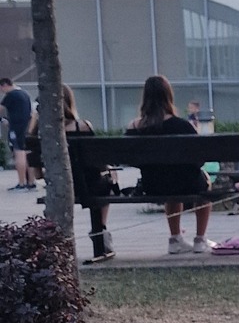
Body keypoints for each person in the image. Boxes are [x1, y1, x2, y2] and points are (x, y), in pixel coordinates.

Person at [128, 75, 213, 255]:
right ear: (168, 96)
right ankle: (200, 240)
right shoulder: (183, 126)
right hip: (186, 184)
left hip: (153, 185)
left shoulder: (135, 127)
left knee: (171, 186)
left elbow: (130, 159)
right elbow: (199, 159)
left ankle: (175, 239)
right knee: (204, 186)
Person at [27, 85, 115, 258]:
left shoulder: (38, 132)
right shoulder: (83, 126)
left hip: (59, 187)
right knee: (107, 184)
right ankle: (101, 230)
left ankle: (56, 245)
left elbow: (38, 175)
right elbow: (98, 164)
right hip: (89, 186)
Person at [0, 76, 33, 189]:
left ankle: (21, 183)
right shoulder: (24, 94)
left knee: (19, 153)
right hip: (25, 128)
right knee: (26, 155)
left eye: (1, 88)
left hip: (16, 128)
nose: (2, 91)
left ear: (5, 85)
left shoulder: (11, 95)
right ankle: (31, 182)